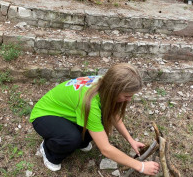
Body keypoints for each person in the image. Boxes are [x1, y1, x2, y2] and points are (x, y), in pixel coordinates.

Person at [30, 63, 159, 175]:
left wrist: (130, 140)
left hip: (66, 112)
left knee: (101, 118)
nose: (129, 100)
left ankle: (78, 140)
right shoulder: (91, 102)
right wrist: (140, 166)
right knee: (71, 139)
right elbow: (105, 149)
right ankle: (48, 151)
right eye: (126, 96)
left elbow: (113, 114)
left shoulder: (106, 82)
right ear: (114, 90)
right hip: (44, 114)